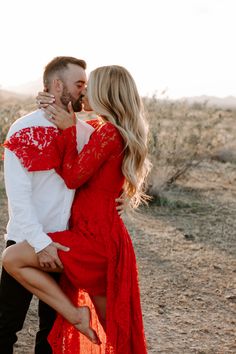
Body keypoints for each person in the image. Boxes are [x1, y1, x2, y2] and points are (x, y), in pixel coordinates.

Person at [2, 65, 151, 353]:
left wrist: (68, 130)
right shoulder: (98, 129)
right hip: (88, 233)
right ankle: (75, 315)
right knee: (116, 329)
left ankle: (75, 315)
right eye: (80, 84)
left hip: (95, 238)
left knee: (117, 330)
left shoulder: (106, 133)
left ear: (105, 93)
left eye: (88, 85)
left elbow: (73, 176)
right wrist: (47, 99)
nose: (84, 91)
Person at [0, 56, 94, 354]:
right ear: (57, 85)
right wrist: (41, 243)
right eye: (79, 84)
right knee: (6, 325)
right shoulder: (24, 129)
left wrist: (120, 199)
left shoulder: (86, 133)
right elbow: (18, 197)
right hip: (26, 240)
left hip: (68, 245)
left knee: (53, 333)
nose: (84, 90)